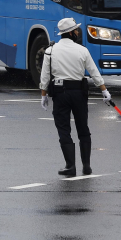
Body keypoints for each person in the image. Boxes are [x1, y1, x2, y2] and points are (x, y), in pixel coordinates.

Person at [40, 17, 112, 177]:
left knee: (64, 129)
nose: (78, 32)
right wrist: (104, 90)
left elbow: (45, 77)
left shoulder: (50, 51)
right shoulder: (82, 50)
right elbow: (94, 72)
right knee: (83, 128)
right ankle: (86, 166)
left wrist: (43, 95)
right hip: (79, 93)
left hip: (60, 93)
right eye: (76, 30)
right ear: (71, 33)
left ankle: (70, 166)